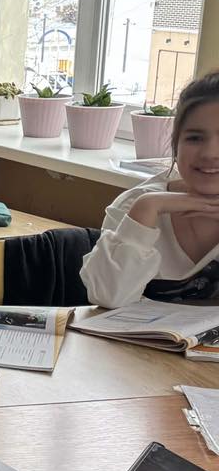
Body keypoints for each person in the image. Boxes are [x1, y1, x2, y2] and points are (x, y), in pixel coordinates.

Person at [82, 71, 219, 307]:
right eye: (195, 138)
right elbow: (108, 298)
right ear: (176, 143)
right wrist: (147, 208)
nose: (210, 153)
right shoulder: (134, 205)